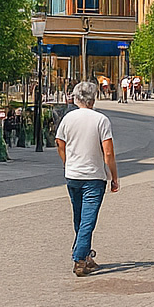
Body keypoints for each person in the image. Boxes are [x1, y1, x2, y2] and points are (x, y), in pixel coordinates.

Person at [55, 80, 118, 277]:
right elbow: (108, 152)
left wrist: (67, 162)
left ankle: (86, 255)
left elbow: (59, 142)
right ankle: (80, 259)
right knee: (88, 220)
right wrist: (114, 176)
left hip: (73, 175)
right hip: (94, 176)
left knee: (80, 219)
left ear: (76, 98)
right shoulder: (101, 120)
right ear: (94, 98)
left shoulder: (68, 118)